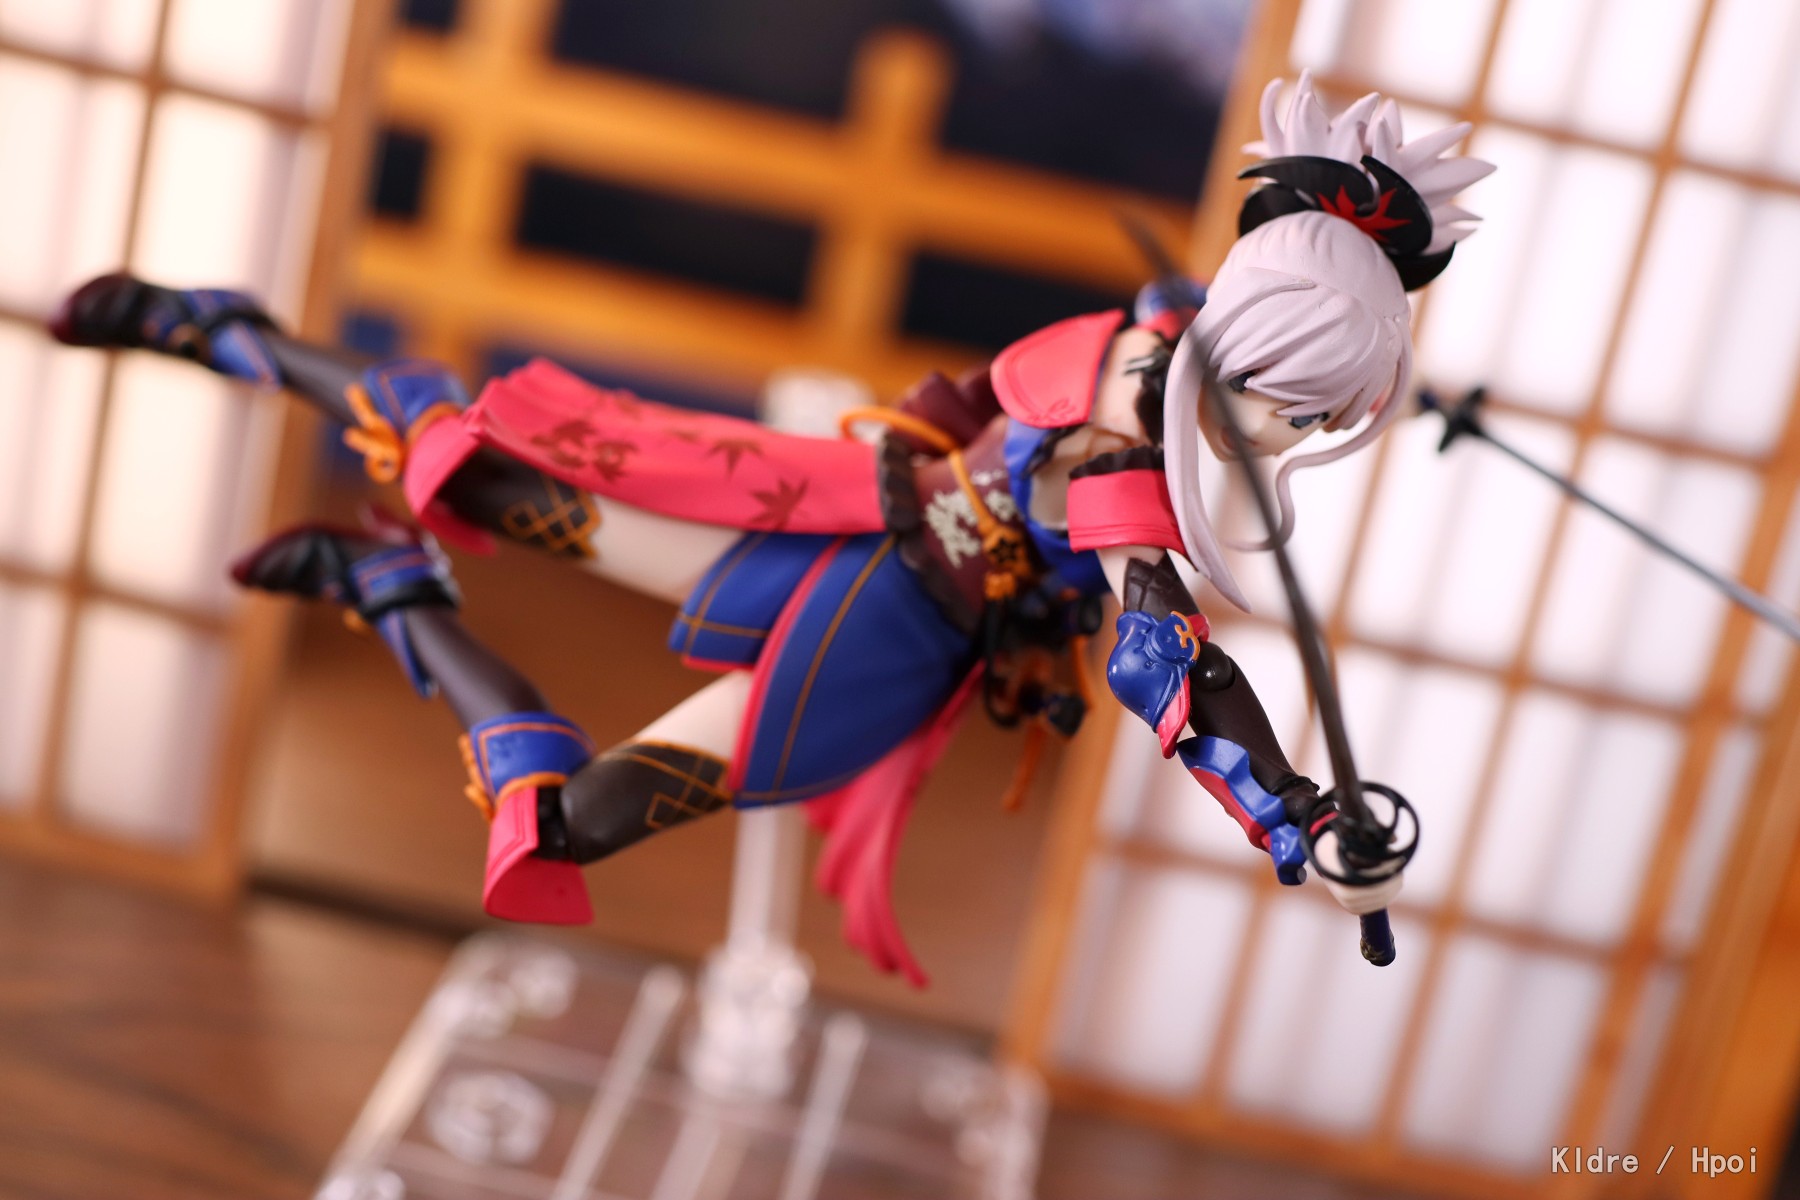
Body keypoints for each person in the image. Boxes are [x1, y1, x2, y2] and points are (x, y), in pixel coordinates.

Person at [48, 74, 1490, 984]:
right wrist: (1297, 817)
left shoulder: (1156, 359)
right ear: (1243, 340)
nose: (1288, 436)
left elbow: (1152, 608)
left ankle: (389, 588)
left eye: (1317, 416)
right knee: (482, 470)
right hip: (838, 547)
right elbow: (1159, 651)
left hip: (864, 600)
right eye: (1294, 403)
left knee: (565, 815)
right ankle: (228, 338)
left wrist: (1296, 815)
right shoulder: (1132, 420)